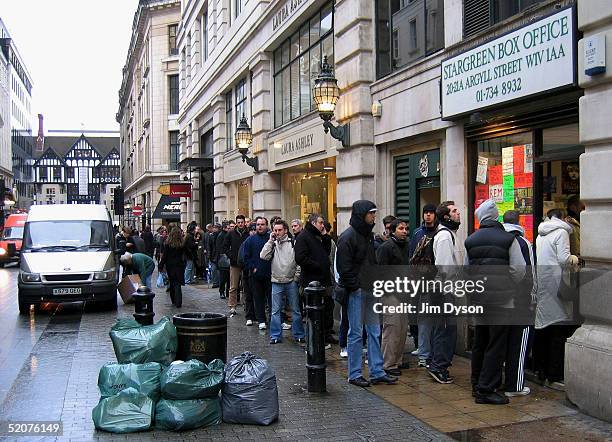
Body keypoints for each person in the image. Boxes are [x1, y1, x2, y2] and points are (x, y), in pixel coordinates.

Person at [465, 200, 527, 405]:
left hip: (479, 299)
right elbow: (519, 270)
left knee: (480, 342)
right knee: (496, 344)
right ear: (495, 216)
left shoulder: (471, 240)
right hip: (502, 300)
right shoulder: (509, 239)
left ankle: (476, 383)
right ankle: (486, 388)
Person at [337, 200, 397, 387]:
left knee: (374, 331)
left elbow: (371, 262)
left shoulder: (368, 236)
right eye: (371, 213)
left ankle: (377, 371)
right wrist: (355, 286)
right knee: (355, 332)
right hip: (357, 291)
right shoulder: (348, 237)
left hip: (369, 288)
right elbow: (343, 267)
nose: (374, 216)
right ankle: (354, 373)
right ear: (362, 214)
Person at [534, 209, 580, 391]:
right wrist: (576, 259)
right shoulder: (561, 232)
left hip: (544, 283)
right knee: (559, 329)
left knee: (544, 328)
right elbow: (563, 259)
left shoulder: (540, 234)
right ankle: (554, 373)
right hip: (558, 283)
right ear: (562, 218)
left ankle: (540, 370)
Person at [428, 201, 463, 384]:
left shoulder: (450, 235)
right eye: (454, 211)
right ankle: (438, 366)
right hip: (444, 291)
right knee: (445, 329)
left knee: (444, 328)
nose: (459, 213)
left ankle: (437, 363)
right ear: (446, 216)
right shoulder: (444, 237)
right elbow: (445, 267)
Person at [503, 209, 537, 397]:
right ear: (519, 222)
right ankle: (515, 385)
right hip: (520, 299)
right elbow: (530, 272)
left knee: (503, 341)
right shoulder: (523, 242)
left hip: (499, 299)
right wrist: (533, 297)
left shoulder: (498, 240)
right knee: (520, 342)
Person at [260, 219, 305, 344]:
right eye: (275, 230)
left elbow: (299, 262)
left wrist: (296, 277)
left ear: (285, 230)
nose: (277, 232)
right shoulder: (272, 244)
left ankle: (299, 335)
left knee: (296, 310)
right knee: (275, 311)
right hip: (276, 281)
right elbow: (263, 256)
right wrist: (270, 241)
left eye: (280, 230)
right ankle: (275, 335)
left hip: (291, 281)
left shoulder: (293, 243)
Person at [376, 218, 411, 376]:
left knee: (402, 329)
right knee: (392, 328)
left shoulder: (406, 245)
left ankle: (397, 360)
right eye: (401, 228)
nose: (404, 231)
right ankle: (388, 364)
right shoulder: (386, 247)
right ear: (393, 230)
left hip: (404, 292)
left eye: (406, 229)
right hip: (390, 293)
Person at [295, 213, 336, 344]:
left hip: (325, 279)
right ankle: (315, 339)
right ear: (313, 223)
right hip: (311, 280)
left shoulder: (319, 236)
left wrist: (325, 236)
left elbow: (327, 250)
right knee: (314, 312)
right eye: (320, 223)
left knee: (328, 307)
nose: (323, 225)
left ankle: (327, 334)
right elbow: (300, 258)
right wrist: (317, 265)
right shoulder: (304, 237)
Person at [409, 203, 438, 367]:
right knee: (425, 319)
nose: (428, 215)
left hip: (436, 279)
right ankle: (424, 353)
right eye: (426, 213)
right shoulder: (417, 233)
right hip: (422, 281)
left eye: (431, 212)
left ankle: (430, 351)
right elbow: (412, 257)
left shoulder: (440, 233)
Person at [243, 217, 272, 330]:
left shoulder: (271, 238)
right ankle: (261, 320)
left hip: (270, 274)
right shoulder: (250, 240)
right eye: (258, 224)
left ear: (266, 225)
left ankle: (273, 320)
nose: (260, 226)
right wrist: (253, 268)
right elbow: (246, 257)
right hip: (256, 275)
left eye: (262, 224)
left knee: (271, 299)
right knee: (258, 299)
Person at [223, 215, 249, 315]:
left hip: (246, 263)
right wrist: (231, 256)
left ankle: (246, 304)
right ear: (236, 223)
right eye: (238, 222)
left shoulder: (248, 233)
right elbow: (225, 246)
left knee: (246, 285)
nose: (240, 224)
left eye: (242, 222)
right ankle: (232, 306)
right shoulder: (231, 234)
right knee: (233, 286)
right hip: (234, 263)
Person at [159, 227, 186, 307]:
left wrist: (161, 265)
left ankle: (174, 300)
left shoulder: (168, 243)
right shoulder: (182, 243)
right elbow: (186, 253)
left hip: (170, 265)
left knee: (172, 282)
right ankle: (178, 302)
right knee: (178, 283)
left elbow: (164, 256)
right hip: (179, 265)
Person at [239, 223, 257, 326]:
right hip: (247, 273)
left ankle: (257, 316)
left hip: (257, 274)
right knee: (249, 296)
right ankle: (249, 316)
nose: (254, 231)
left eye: (255, 229)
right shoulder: (246, 243)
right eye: (252, 230)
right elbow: (241, 259)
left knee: (258, 296)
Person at [215, 222, 231, 299]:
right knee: (223, 278)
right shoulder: (221, 235)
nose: (229, 229)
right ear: (224, 228)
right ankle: (222, 291)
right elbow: (219, 248)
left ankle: (227, 292)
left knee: (228, 278)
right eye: (228, 228)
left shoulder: (228, 235)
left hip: (227, 258)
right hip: (223, 258)